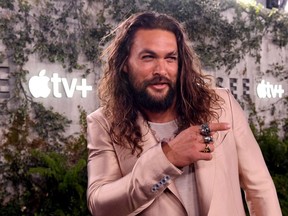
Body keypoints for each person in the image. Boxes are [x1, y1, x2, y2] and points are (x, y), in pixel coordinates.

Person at [86, 11, 282, 216]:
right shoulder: (103, 123)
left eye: (170, 58)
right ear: (125, 64)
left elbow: (259, 189)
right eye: (148, 57)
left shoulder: (222, 106)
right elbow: (101, 205)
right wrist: (167, 158)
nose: (161, 70)